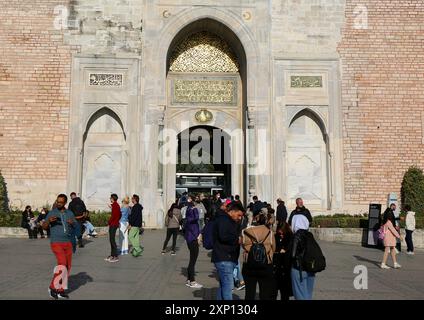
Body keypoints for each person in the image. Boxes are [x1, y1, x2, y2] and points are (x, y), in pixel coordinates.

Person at [42, 194, 77, 299]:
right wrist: (48, 221)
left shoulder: (70, 213)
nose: (58, 203)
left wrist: (72, 223)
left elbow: (76, 226)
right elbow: (44, 227)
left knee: (67, 267)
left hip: (68, 242)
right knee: (62, 264)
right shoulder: (52, 213)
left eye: (61, 202)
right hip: (56, 242)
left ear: (65, 203)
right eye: (57, 201)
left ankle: (60, 290)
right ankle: (52, 287)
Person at [212, 201, 245, 300]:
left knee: (223, 286)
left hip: (225, 257)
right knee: (228, 289)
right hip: (225, 258)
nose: (239, 218)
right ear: (232, 211)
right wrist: (237, 239)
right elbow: (224, 236)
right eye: (239, 215)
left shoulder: (227, 220)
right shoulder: (224, 220)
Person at [242, 212, 276, 300]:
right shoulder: (270, 232)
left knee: (249, 292)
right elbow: (274, 248)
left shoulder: (246, 231)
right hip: (266, 264)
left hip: (249, 263)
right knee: (265, 292)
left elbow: (243, 244)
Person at [290, 215, 315, 300]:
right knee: (308, 295)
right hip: (311, 269)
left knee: (300, 295)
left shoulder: (295, 236)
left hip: (298, 269)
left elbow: (292, 255)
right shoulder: (310, 235)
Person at [184, 195, 202, 289]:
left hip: (190, 239)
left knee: (192, 260)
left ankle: (189, 279)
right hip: (192, 239)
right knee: (193, 261)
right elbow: (196, 217)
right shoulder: (191, 218)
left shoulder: (188, 215)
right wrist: (197, 237)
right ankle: (192, 281)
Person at [272, 221, 293, 300]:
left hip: (286, 267)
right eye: (279, 233)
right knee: (273, 291)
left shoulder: (290, 237)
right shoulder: (276, 236)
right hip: (276, 267)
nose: (281, 235)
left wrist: (284, 251)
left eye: (282, 233)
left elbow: (290, 251)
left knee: (284, 292)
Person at [105, 194, 121, 263]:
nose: (110, 199)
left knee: (112, 240)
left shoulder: (115, 205)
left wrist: (109, 222)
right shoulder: (116, 205)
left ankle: (115, 256)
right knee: (111, 240)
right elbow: (119, 214)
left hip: (113, 224)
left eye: (110, 198)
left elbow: (114, 215)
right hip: (114, 224)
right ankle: (112, 255)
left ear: (112, 198)